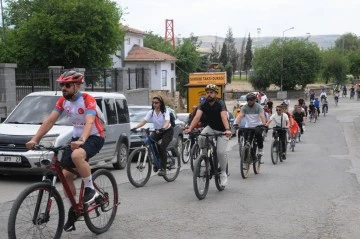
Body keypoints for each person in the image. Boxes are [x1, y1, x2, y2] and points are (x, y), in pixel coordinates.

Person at [25, 70, 105, 232]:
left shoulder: (87, 99)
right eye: (61, 84)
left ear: (77, 85)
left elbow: (89, 122)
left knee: (77, 155)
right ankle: (75, 210)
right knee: (67, 175)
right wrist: (35, 139)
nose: (63, 87)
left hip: (94, 136)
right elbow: (49, 121)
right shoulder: (63, 101)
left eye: (67, 85)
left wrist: (82, 140)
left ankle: (91, 190)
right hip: (76, 137)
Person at [184, 84, 231, 186]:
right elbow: (197, 117)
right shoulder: (203, 104)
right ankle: (205, 158)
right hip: (211, 128)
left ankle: (223, 173)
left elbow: (223, 117)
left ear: (216, 94)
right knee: (201, 136)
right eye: (207, 93)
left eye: (211, 93)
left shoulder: (220, 103)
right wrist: (190, 128)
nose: (209, 94)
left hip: (222, 130)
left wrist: (227, 129)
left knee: (220, 152)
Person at [131, 95, 174, 176]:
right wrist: (135, 127)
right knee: (149, 141)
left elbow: (167, 121)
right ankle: (157, 160)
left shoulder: (165, 111)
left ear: (160, 103)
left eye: (156, 103)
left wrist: (163, 128)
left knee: (162, 147)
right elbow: (144, 121)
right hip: (157, 131)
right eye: (153, 103)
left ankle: (163, 168)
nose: (154, 104)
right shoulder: (151, 112)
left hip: (167, 131)